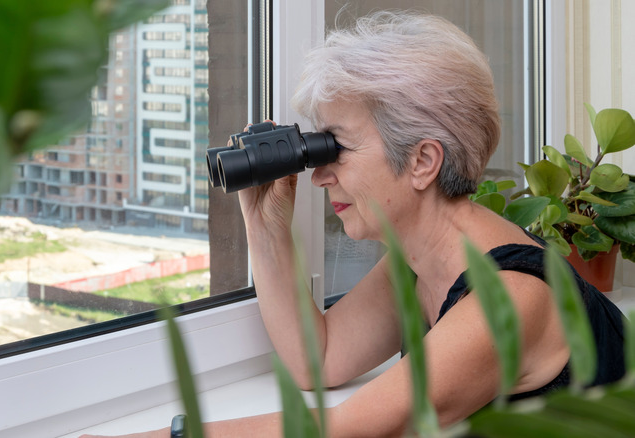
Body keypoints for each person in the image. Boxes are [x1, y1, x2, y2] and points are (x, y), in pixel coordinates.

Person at [85, 10, 625, 437]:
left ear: (422, 161)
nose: (319, 174)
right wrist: (266, 227)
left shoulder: (506, 297)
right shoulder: (425, 263)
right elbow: (318, 360)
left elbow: (354, 429)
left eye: (335, 147)